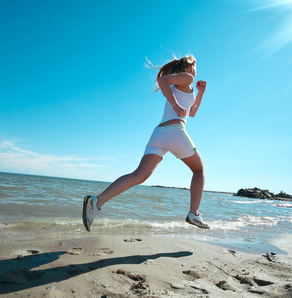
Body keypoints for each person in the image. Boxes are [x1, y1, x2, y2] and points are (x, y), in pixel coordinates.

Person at [83, 55, 209, 232]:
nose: (196, 69)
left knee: (139, 175)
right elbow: (162, 79)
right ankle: (194, 213)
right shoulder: (186, 77)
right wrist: (175, 105)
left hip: (158, 135)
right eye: (195, 65)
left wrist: (201, 92)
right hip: (174, 131)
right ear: (190, 66)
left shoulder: (188, 86)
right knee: (199, 170)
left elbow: (192, 112)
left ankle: (96, 202)